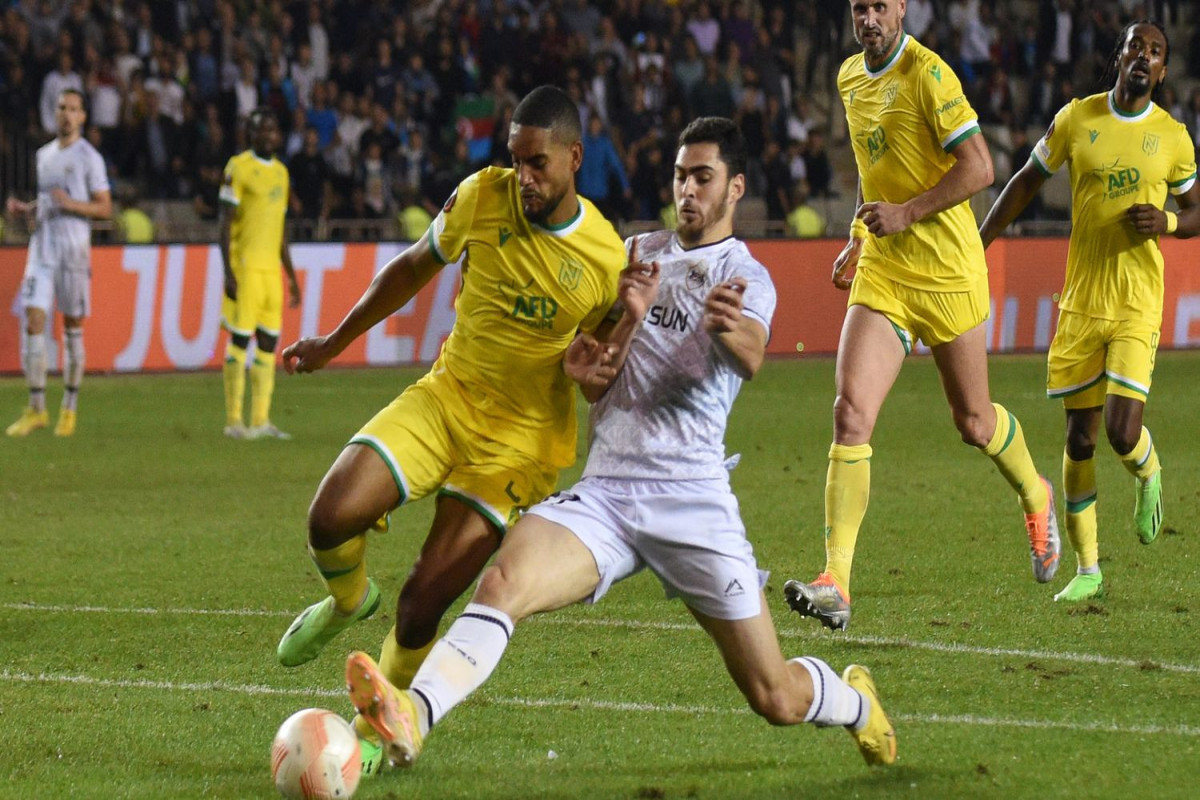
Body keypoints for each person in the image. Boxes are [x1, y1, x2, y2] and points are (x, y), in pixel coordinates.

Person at [343, 117, 897, 773]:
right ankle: (415, 715)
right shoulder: (632, 256)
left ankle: (857, 704)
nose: (687, 189)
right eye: (679, 175)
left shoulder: (743, 273)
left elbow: (751, 354)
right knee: (502, 580)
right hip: (606, 494)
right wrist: (621, 325)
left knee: (772, 694)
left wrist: (727, 329)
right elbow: (591, 372)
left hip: (691, 502)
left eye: (703, 177)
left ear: (735, 187)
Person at [274, 86, 627, 770]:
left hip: (516, 445)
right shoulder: (480, 196)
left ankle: (373, 737)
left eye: (538, 163)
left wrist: (595, 374)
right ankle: (348, 599)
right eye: (516, 160)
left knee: (421, 601)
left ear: (574, 158)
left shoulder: (605, 260)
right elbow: (412, 267)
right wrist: (335, 341)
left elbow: (606, 370)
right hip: (445, 397)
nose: (523, 177)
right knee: (328, 518)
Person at [783, 0, 1059, 632]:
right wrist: (859, 233)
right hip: (885, 270)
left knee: (973, 420)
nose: (868, 18)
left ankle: (1035, 493)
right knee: (850, 411)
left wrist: (907, 212)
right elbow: (867, 168)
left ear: (902, 8)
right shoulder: (850, 78)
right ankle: (837, 581)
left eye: (880, 6)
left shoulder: (930, 76)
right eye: (859, 8)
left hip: (948, 271)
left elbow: (981, 168)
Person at [978, 21, 1196, 602]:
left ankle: (1148, 472)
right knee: (1079, 440)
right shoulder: (1077, 119)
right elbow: (1026, 182)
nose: (1144, 57)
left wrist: (1169, 222)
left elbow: (1198, 210)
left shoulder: (1173, 137)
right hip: (1081, 302)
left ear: (1163, 70)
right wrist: (979, 243)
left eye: (1155, 52)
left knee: (1123, 432)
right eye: (1136, 47)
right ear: (1119, 57)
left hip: (1136, 300)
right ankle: (1089, 568)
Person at [6, 88, 112, 438]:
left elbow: (104, 208)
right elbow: (49, 202)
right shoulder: (43, 155)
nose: (66, 114)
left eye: (74, 109)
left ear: (83, 116)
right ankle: (36, 408)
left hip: (74, 250)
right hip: (43, 247)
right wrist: (27, 209)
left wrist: (71, 205)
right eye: (61, 107)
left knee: (71, 327)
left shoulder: (89, 158)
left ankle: (69, 408)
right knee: (33, 320)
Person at [218, 107, 302, 440]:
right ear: (251, 135)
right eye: (261, 129)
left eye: (272, 129)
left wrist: (291, 275)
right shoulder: (238, 168)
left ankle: (261, 421)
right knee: (240, 340)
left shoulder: (281, 173)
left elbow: (280, 230)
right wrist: (227, 271)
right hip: (246, 268)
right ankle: (234, 421)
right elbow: (223, 225)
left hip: (271, 272)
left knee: (268, 344)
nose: (268, 135)